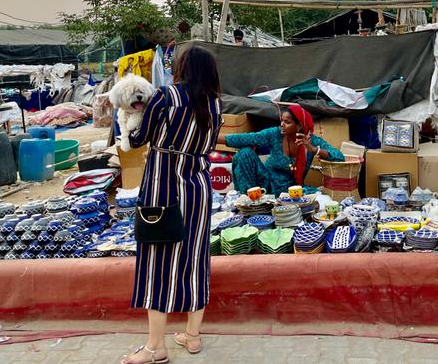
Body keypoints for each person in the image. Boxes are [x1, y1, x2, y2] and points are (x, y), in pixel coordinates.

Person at [121, 46, 223, 364]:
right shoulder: (217, 103)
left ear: (180, 68)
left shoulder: (166, 97)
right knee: (195, 261)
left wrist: (123, 119)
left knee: (158, 264)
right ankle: (192, 336)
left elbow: (138, 140)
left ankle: (155, 347)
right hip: (198, 192)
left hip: (162, 191)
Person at [217, 106, 344, 196]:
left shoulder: (311, 141)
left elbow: (339, 157)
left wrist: (314, 149)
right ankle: (250, 203)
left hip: (291, 190)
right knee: (244, 153)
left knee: (320, 197)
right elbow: (245, 138)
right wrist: (210, 137)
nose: (282, 124)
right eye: (281, 121)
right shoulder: (274, 134)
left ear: (299, 126)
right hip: (266, 183)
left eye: (287, 122)